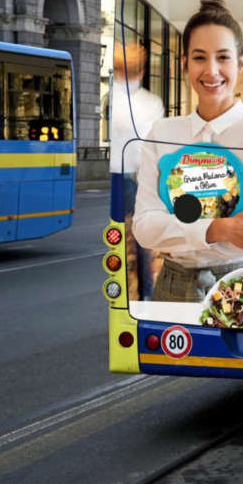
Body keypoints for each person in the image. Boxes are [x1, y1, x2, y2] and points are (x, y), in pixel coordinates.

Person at [134, 0, 243, 302]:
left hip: (241, 286)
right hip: (171, 288)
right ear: (184, 63)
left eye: (223, 57)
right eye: (199, 57)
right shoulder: (161, 133)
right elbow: (145, 228)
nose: (211, 70)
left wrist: (179, 230)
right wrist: (222, 228)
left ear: (240, 64)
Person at [108, 42, 165, 299]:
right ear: (142, 72)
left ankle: (119, 291)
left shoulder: (111, 100)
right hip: (140, 175)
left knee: (115, 239)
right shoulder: (152, 104)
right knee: (142, 239)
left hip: (115, 177)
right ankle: (145, 294)